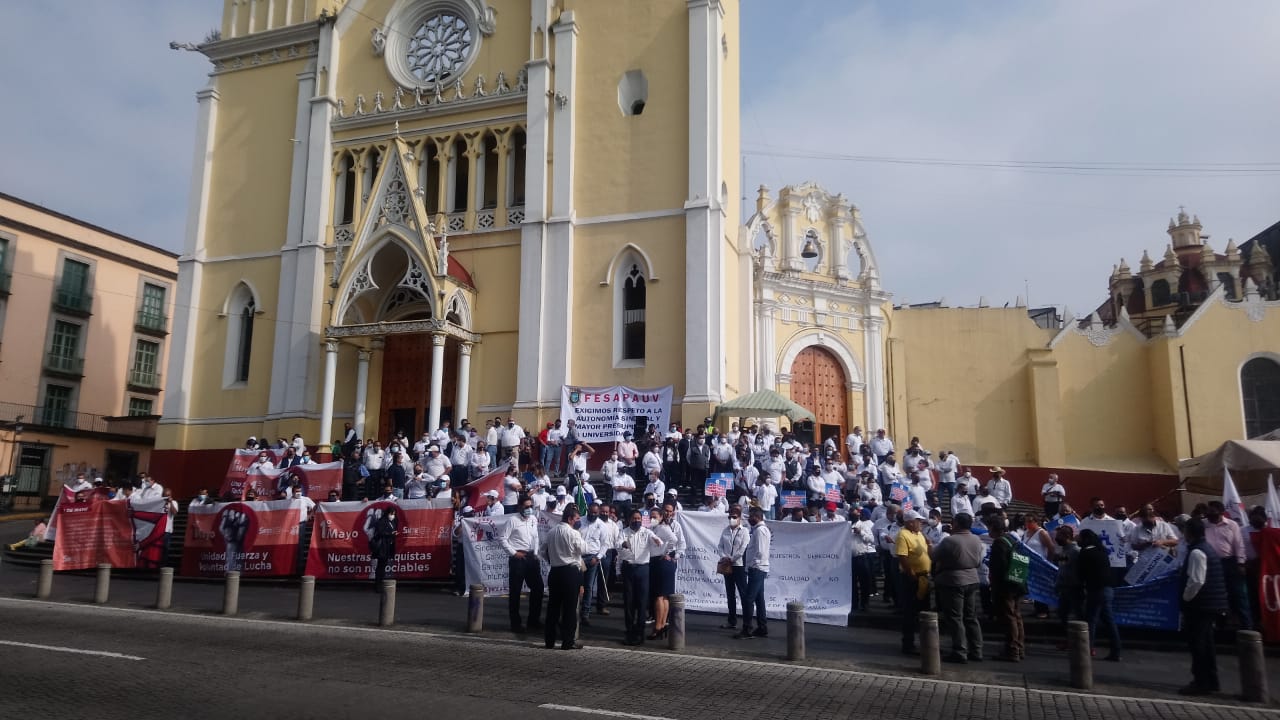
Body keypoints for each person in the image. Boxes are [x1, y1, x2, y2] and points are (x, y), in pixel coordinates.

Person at [1179, 518, 1229, 695]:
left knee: (1198, 644)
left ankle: (1201, 681)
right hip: (1209, 603)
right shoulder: (1207, 549)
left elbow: (1196, 581)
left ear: (1190, 533)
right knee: (1207, 644)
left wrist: (1185, 598)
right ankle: (1211, 680)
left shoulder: (1197, 552)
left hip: (1200, 605)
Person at [931, 512, 985, 663]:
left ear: (957, 524)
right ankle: (977, 649)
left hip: (954, 580)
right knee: (971, 617)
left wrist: (929, 545)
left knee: (955, 617)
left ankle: (960, 651)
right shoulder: (976, 539)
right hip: (972, 578)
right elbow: (979, 561)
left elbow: (933, 557)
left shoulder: (950, 541)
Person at [540, 505, 586, 650]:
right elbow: (584, 549)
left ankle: (549, 640)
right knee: (570, 608)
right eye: (577, 518)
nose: (578, 521)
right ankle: (568, 641)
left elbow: (542, 551)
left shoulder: (551, 532)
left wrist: (553, 559)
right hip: (570, 571)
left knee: (553, 607)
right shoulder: (573, 533)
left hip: (555, 571)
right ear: (570, 518)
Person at [1203, 500, 1251, 630]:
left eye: (1212, 511)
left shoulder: (1232, 525)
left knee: (1238, 595)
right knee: (1218, 596)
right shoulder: (1203, 525)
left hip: (1230, 563)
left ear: (1220, 512)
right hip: (1211, 565)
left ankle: (1247, 628)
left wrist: (1241, 563)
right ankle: (1221, 627)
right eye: (1208, 510)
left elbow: (1239, 545)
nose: (1209, 513)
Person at [617, 508, 661, 645]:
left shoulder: (646, 532)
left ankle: (640, 631)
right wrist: (623, 544)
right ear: (629, 519)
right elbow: (617, 545)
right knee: (629, 602)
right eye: (634, 519)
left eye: (638, 519)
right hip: (629, 568)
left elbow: (656, 539)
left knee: (642, 602)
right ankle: (629, 630)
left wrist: (656, 540)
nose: (636, 521)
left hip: (643, 569)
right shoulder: (623, 532)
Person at [1078, 528, 1121, 661]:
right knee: (1109, 621)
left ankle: (1087, 649)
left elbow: (1082, 572)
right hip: (1108, 589)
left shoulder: (1085, 552)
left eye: (1079, 538)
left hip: (1096, 589)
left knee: (1091, 620)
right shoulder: (1101, 551)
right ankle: (1116, 650)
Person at [502, 497, 543, 633]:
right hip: (518, 558)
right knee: (515, 591)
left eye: (530, 506)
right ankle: (515, 623)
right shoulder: (512, 520)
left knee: (538, 588)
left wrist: (536, 553)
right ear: (520, 507)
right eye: (526, 506)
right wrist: (513, 553)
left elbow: (536, 537)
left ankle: (533, 620)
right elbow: (502, 538)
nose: (529, 509)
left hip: (531, 557)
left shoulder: (533, 519)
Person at [987, 517, 1025, 661]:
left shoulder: (999, 543)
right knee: (1017, 617)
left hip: (1006, 586)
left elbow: (999, 567)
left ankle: (1012, 650)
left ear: (994, 528)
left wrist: (996, 586)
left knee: (1009, 618)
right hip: (1017, 583)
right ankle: (1020, 648)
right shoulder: (1011, 539)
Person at [895, 509, 932, 654]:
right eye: (918, 521)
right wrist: (911, 575)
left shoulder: (920, 534)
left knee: (924, 611)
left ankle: (926, 642)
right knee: (910, 612)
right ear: (910, 522)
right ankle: (908, 643)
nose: (920, 523)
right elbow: (902, 557)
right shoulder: (903, 534)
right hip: (913, 578)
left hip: (924, 577)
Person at [648, 505, 684, 640]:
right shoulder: (653, 528)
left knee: (659, 596)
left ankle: (658, 625)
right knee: (663, 596)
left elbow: (675, 540)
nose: (652, 519)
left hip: (661, 563)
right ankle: (661, 624)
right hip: (656, 562)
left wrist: (667, 552)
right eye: (651, 517)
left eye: (655, 517)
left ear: (661, 517)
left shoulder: (663, 528)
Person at [737, 505, 772, 639]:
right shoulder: (759, 530)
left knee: (748, 599)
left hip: (757, 568)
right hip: (758, 567)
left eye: (751, 517)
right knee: (759, 599)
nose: (749, 519)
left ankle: (747, 629)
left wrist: (752, 566)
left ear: (757, 517)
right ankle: (762, 627)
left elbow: (761, 551)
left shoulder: (760, 531)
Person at [717, 505, 750, 630]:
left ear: (740, 518)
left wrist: (732, 559)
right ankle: (732, 621)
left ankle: (747, 623)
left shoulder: (745, 531)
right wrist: (724, 557)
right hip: (727, 565)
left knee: (743, 594)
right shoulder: (725, 530)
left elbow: (743, 549)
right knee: (730, 594)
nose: (732, 519)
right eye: (730, 517)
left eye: (734, 517)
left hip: (739, 565)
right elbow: (720, 546)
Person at [580, 501, 611, 626]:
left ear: (598, 513)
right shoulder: (580, 521)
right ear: (587, 511)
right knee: (576, 586)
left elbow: (605, 544)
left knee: (588, 587)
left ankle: (585, 614)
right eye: (591, 512)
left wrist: (598, 558)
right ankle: (573, 610)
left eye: (595, 513)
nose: (593, 515)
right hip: (579, 557)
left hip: (592, 558)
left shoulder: (601, 525)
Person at [368, 505, 398, 593]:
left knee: (383, 566)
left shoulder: (394, 521)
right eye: (391, 514)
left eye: (394, 514)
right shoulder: (382, 521)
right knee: (380, 567)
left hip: (389, 546)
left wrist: (394, 533)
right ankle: (377, 586)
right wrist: (390, 533)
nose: (392, 515)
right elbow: (380, 532)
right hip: (382, 547)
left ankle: (380, 584)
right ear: (388, 513)